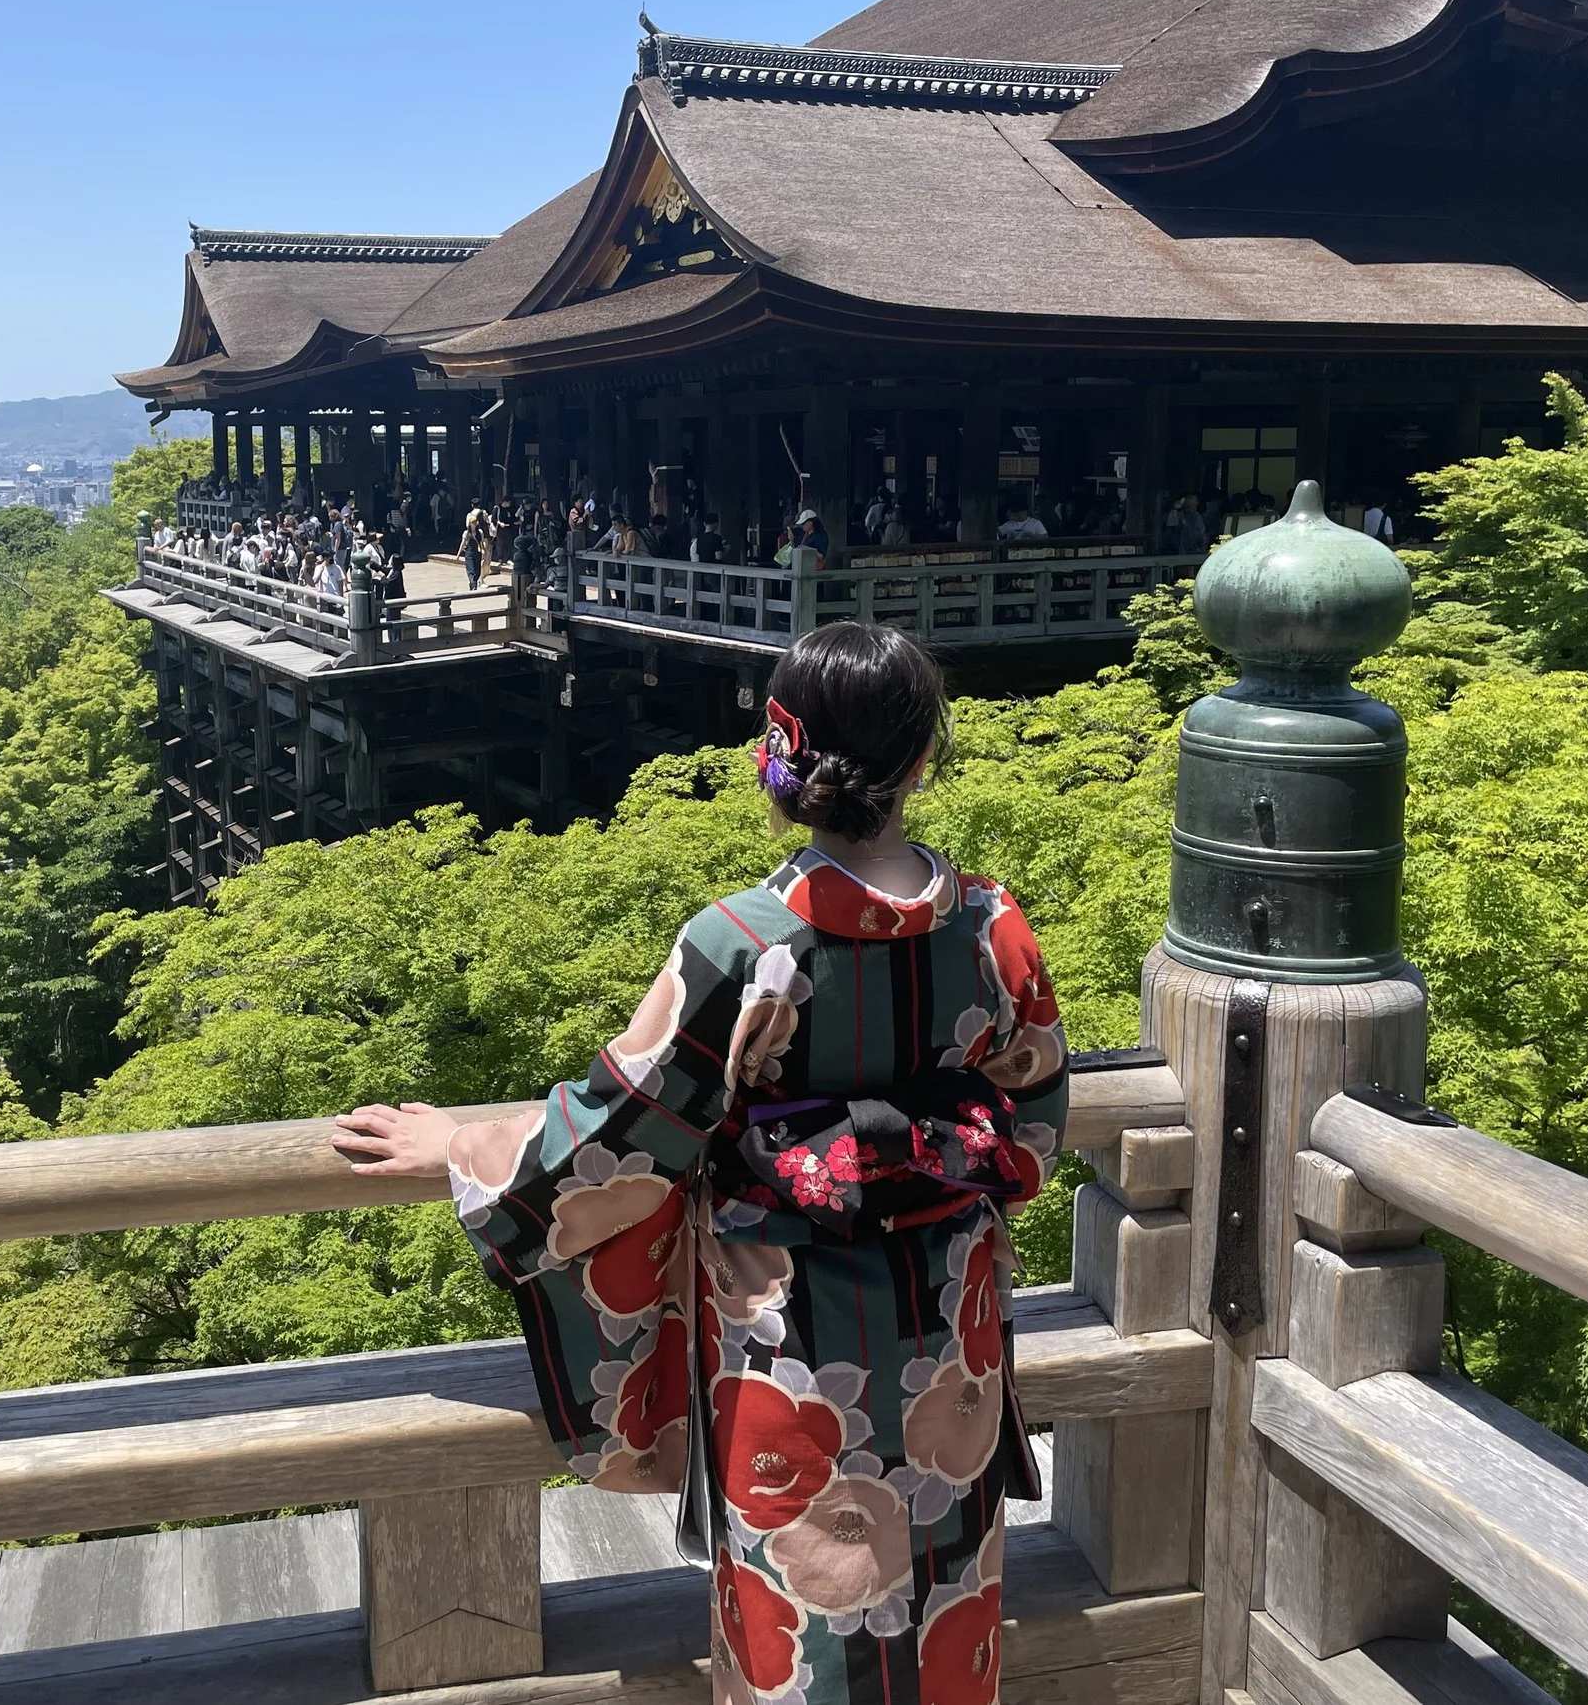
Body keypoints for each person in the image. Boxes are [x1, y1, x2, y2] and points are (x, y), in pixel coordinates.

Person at [335, 623, 1067, 1705]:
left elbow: (617, 1139)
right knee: (944, 1595)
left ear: (781, 769)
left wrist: (464, 1145)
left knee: (803, 1595)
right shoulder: (994, 927)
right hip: (948, 1324)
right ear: (923, 761)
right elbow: (1034, 1130)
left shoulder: (738, 943)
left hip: (786, 1324)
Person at [458, 508, 487, 590]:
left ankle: (473, 583)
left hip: (478, 552)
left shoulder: (480, 532)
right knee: (471, 569)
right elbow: (462, 543)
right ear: (470, 524)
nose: (475, 524)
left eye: (475, 522)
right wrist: (458, 555)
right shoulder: (466, 533)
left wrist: (484, 550)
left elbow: (482, 542)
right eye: (473, 523)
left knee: (477, 570)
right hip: (469, 552)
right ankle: (473, 584)